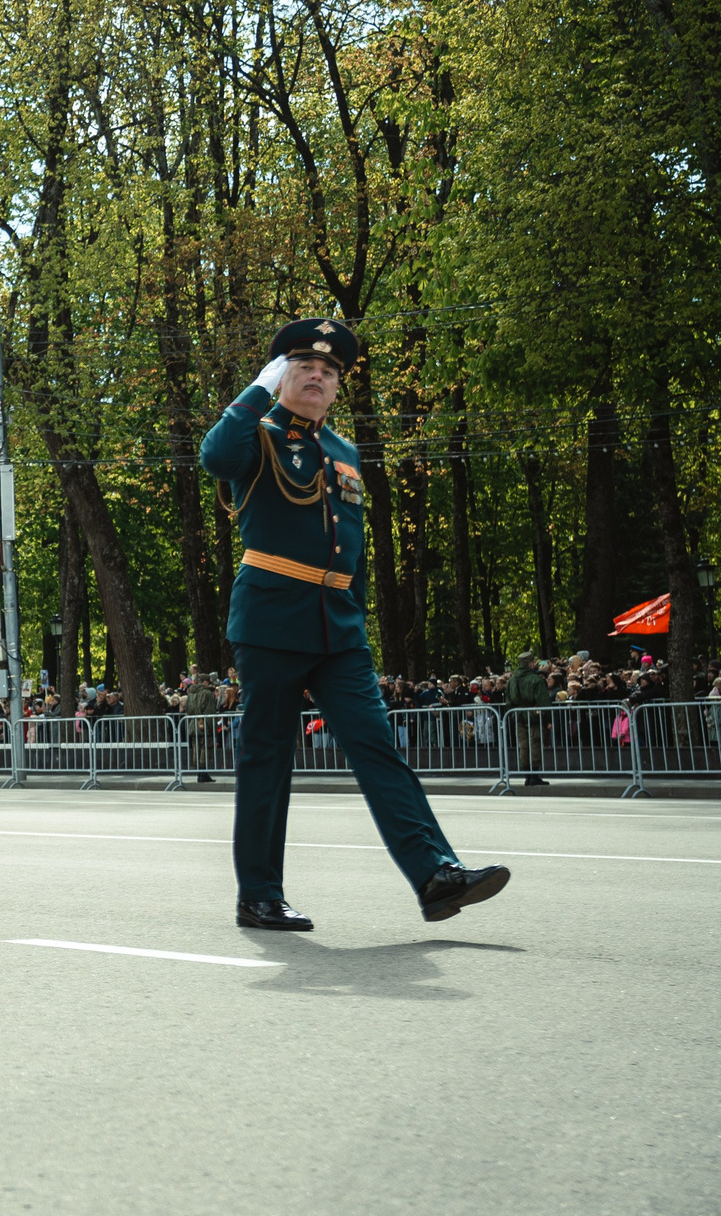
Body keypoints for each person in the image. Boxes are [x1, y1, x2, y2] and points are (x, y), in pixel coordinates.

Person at [200, 318, 509, 929]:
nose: (318, 375)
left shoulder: (343, 451)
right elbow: (214, 456)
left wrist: (356, 615)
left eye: (330, 371)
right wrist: (256, 393)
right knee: (268, 758)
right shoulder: (256, 435)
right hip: (270, 617)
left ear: (339, 386)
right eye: (305, 367)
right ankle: (258, 895)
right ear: (281, 375)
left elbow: (353, 545)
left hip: (337, 627)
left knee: (376, 744)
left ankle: (434, 875)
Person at [502, 650, 553, 787]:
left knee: (523, 746)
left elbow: (508, 702)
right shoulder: (536, 679)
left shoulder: (511, 681)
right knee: (534, 743)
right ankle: (534, 775)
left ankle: (527, 776)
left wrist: (512, 715)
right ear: (530, 664)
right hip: (533, 715)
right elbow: (544, 701)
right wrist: (548, 719)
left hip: (518, 715)